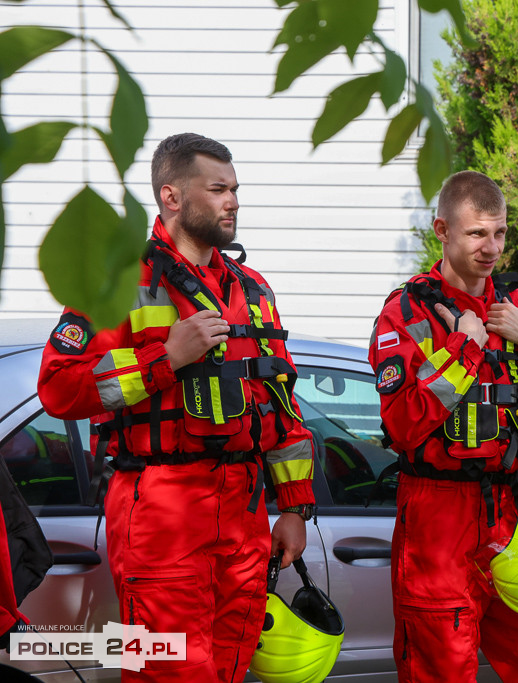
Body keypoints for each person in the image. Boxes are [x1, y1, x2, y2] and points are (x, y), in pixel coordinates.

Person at [37, 133, 315, 683]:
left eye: (235, 189)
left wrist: (294, 507)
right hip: (160, 514)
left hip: (246, 514)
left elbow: (280, 399)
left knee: (232, 669)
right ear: (171, 196)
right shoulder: (116, 281)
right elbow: (59, 389)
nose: (232, 201)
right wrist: (164, 359)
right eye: (217, 189)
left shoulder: (251, 288)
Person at [369, 170, 518, 682]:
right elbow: (402, 425)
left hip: (516, 516)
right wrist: (464, 346)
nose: (491, 248)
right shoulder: (407, 313)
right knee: (441, 671)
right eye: (476, 234)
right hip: (438, 521)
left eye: (501, 233)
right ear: (442, 230)